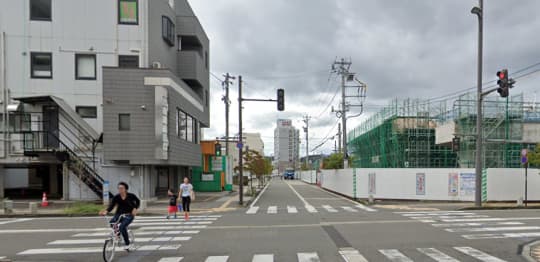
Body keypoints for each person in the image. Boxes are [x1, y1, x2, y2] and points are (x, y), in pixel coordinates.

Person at [99, 182, 140, 250]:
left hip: (129, 215)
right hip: (119, 214)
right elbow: (111, 206)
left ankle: (127, 244)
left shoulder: (131, 195)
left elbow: (138, 201)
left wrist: (135, 208)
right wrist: (106, 211)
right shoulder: (116, 197)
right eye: (119, 188)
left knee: (122, 227)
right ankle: (118, 236)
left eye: (121, 188)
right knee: (112, 223)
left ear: (125, 189)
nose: (120, 189)